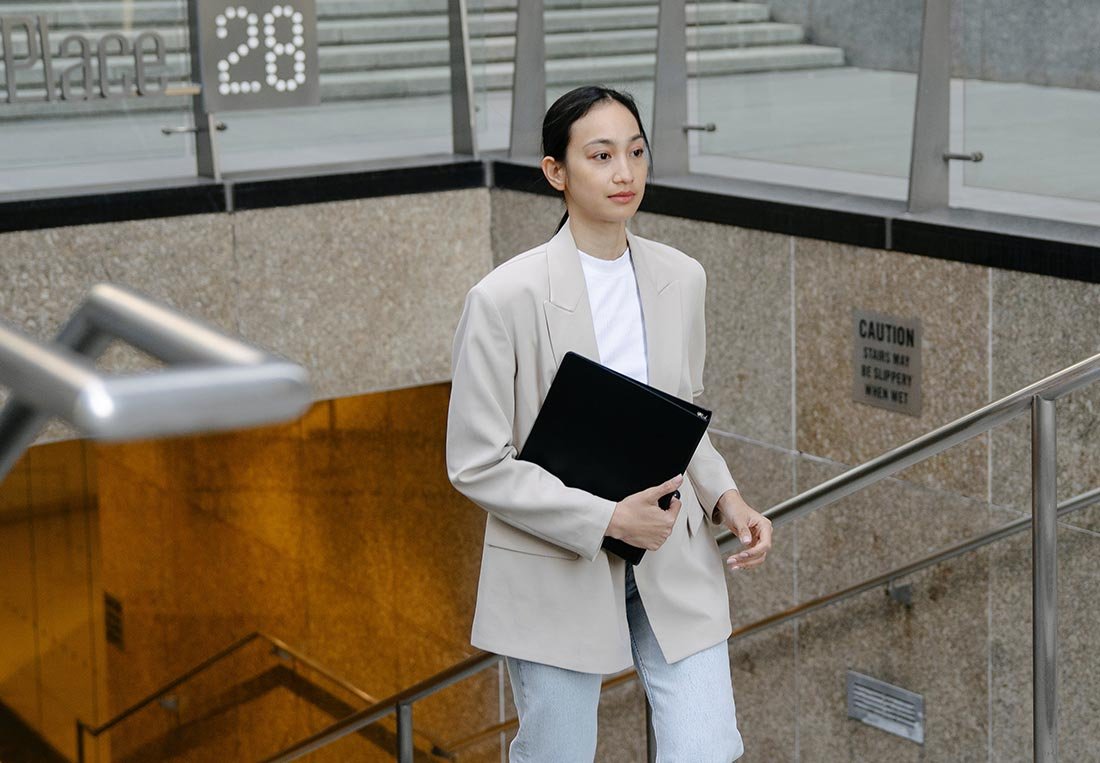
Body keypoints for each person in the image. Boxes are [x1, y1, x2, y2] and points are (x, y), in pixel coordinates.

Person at [445, 84, 773, 762]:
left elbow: (680, 413)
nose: (624, 173)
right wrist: (606, 520)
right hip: (553, 559)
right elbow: (476, 460)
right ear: (555, 172)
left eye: (635, 152)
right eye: (600, 155)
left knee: (706, 748)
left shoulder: (683, 278)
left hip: (672, 548)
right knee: (557, 752)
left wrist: (726, 496)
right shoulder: (504, 298)